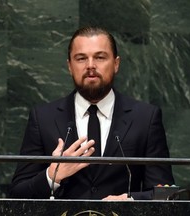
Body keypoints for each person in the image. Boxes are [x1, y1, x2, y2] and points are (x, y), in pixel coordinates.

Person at [9, 26, 174, 200]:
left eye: (100, 57)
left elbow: (164, 194)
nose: (90, 66)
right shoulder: (43, 118)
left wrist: (130, 201)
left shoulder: (145, 118)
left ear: (116, 64)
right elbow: (18, 193)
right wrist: (52, 175)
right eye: (81, 59)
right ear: (69, 66)